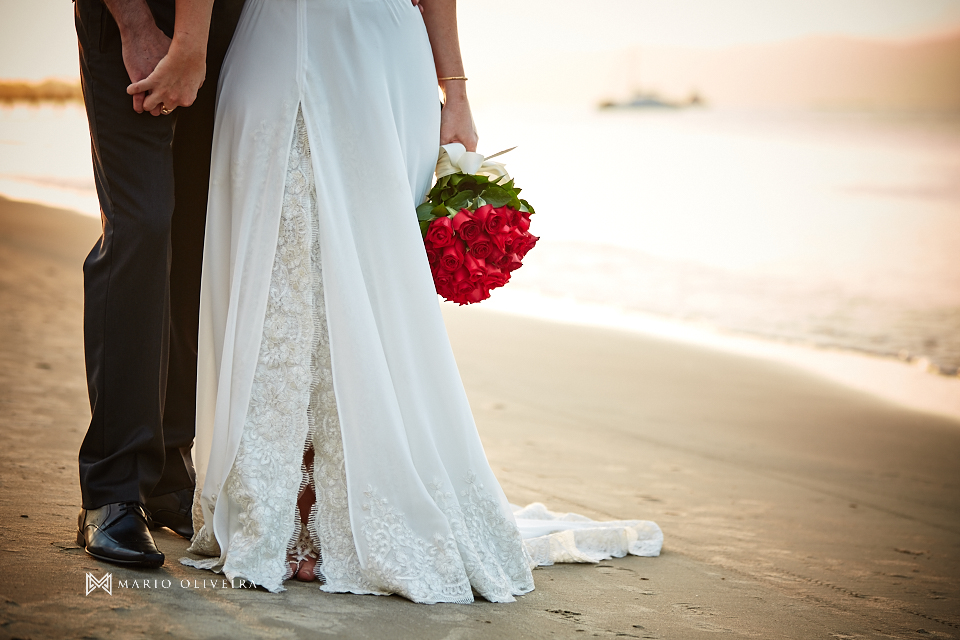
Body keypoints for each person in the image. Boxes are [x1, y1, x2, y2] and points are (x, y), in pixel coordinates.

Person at [133, 0, 662, 602]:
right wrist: (190, 47)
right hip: (276, 39)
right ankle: (284, 508)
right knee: (279, 270)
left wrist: (455, 90)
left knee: (372, 279)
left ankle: (340, 512)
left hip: (382, 54)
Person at [73, 0, 245, 568]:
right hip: (138, 17)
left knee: (194, 235)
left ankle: (169, 466)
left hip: (227, 30)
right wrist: (135, 24)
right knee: (142, 226)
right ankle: (113, 486)